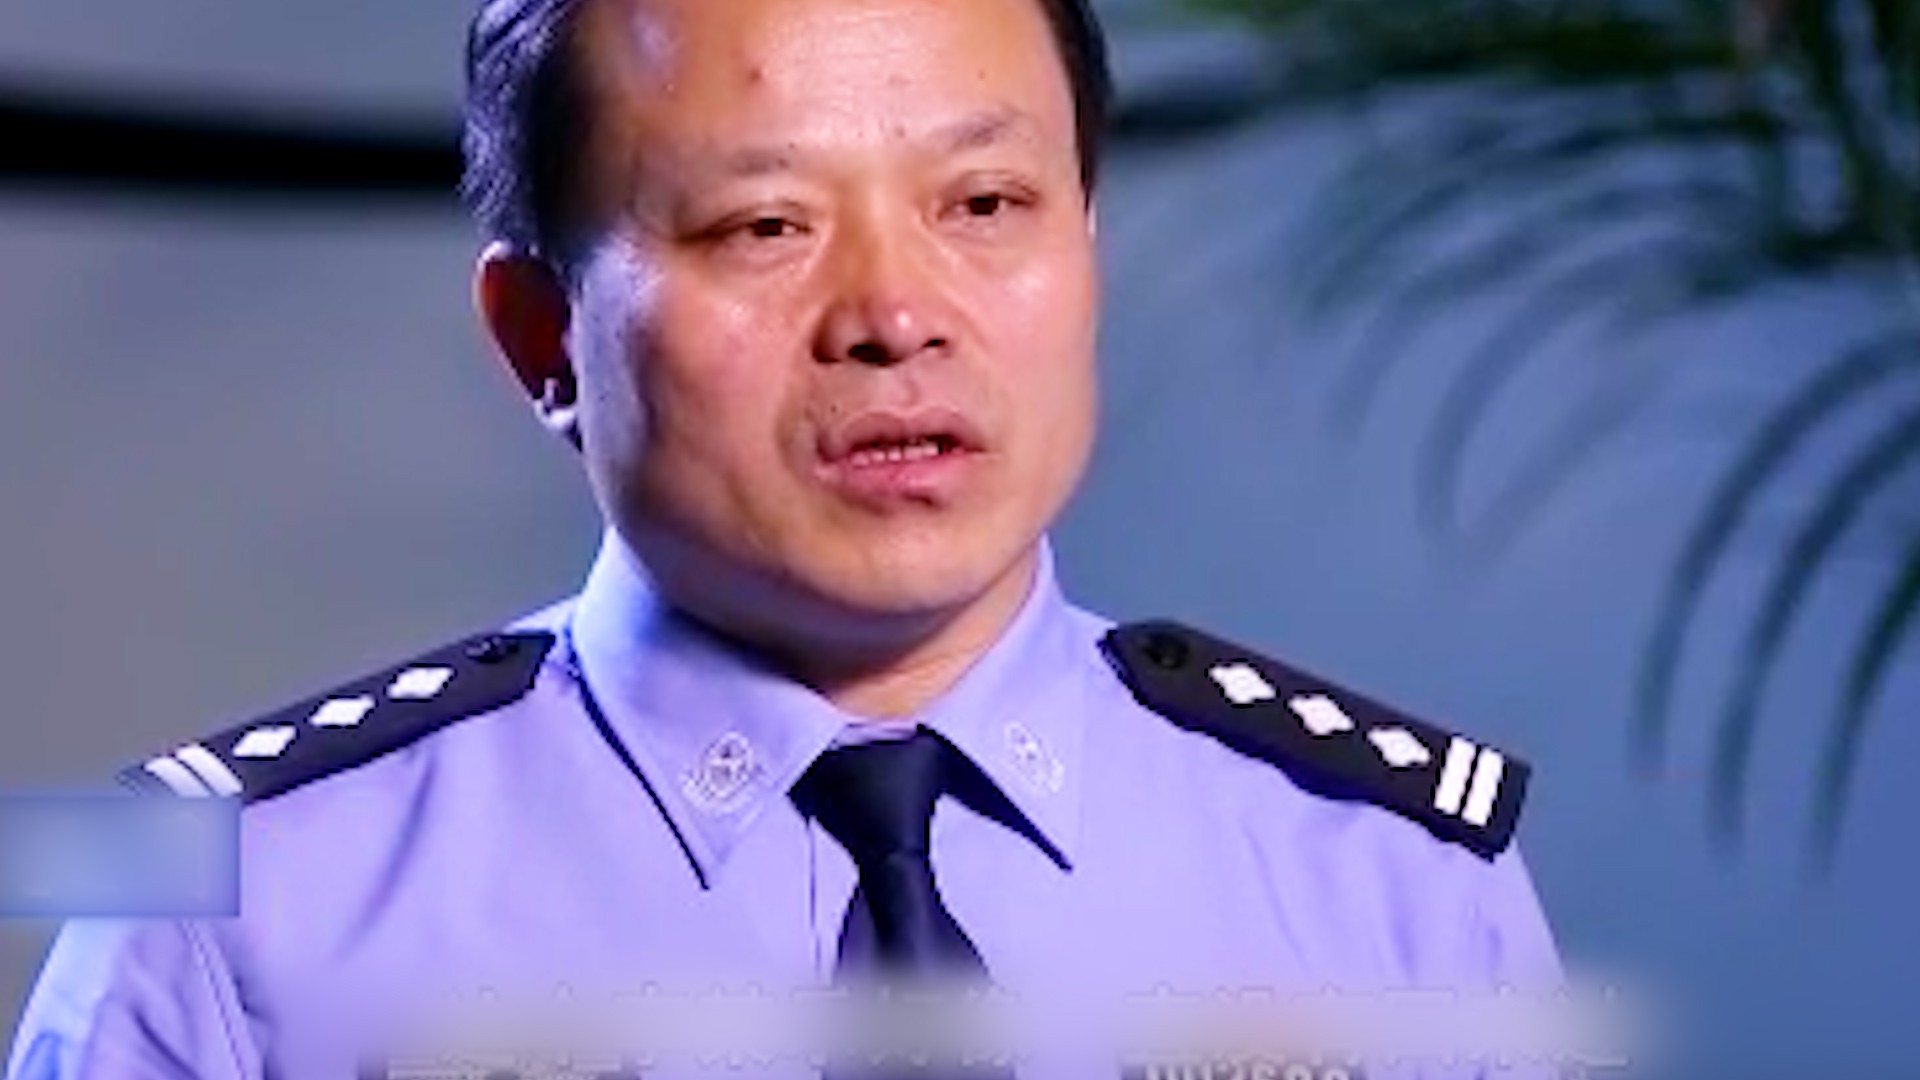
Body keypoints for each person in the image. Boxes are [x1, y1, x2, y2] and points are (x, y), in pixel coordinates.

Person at [5, 0, 1562, 1076]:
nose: (895, 317)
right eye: (765, 225)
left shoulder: (1391, 885)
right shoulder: (232, 918)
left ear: (1087, 249)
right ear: (541, 334)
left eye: (985, 204)